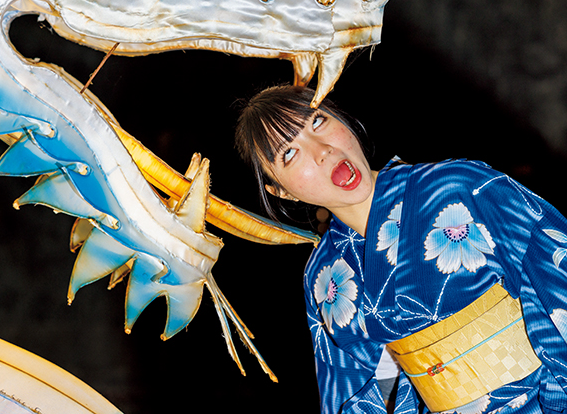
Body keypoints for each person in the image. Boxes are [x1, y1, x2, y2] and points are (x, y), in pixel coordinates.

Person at [235, 85, 567, 414]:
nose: (321, 150)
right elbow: (350, 393)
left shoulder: (460, 186)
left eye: (318, 122)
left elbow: (557, 281)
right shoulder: (324, 276)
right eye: (289, 153)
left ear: (343, 119)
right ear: (281, 191)